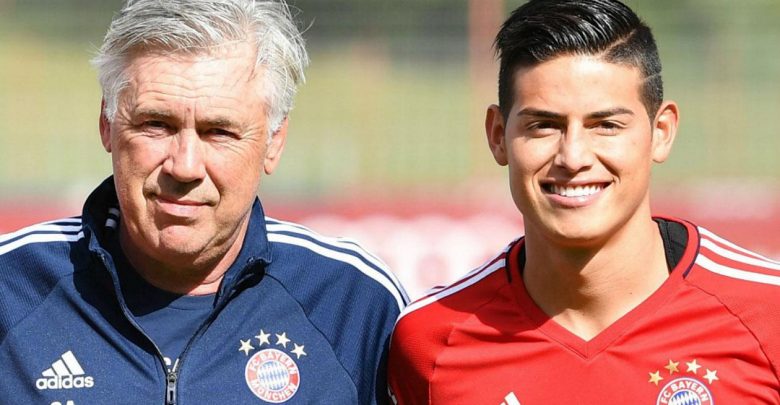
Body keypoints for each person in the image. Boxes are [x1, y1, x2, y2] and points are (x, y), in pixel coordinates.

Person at [0, 1, 407, 403]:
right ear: (108, 124)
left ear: (273, 142)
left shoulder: (355, 305)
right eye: (156, 124)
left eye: (219, 132)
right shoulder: (10, 289)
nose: (185, 167)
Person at [387, 0, 780, 403]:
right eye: (544, 126)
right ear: (498, 135)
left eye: (606, 125)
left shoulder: (769, 316)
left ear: (661, 132)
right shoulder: (430, 343)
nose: (573, 157)